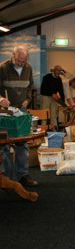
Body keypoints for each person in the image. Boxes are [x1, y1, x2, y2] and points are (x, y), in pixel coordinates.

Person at [0, 45, 38, 186]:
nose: (22, 64)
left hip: (21, 111)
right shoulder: (3, 67)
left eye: (24, 61)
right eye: (19, 61)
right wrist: (0, 99)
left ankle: (23, 176)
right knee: (4, 146)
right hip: (4, 113)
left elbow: (30, 86)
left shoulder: (28, 68)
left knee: (22, 144)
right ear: (13, 55)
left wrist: (27, 99)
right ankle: (8, 179)